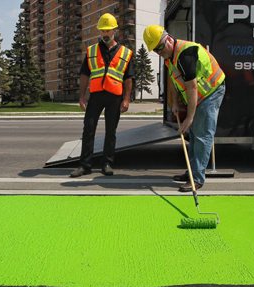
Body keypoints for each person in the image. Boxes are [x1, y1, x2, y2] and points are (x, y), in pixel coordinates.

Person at [143, 25, 226, 192]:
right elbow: (174, 80)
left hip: (211, 92)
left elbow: (192, 88)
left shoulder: (185, 55)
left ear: (167, 39)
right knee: (195, 135)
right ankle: (192, 171)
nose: (159, 53)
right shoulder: (169, 58)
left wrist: (189, 118)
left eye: (159, 48)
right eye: (155, 51)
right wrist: (174, 103)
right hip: (199, 94)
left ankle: (197, 179)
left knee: (202, 136)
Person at [70, 13, 134, 178]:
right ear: (100, 31)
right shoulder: (91, 51)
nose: (105, 33)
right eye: (102, 30)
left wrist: (126, 99)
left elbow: (128, 78)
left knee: (110, 131)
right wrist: (82, 96)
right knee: (88, 129)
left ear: (114, 30)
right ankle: (85, 165)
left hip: (115, 97)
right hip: (96, 96)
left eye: (108, 30)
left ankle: (107, 163)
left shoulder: (126, 53)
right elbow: (85, 74)